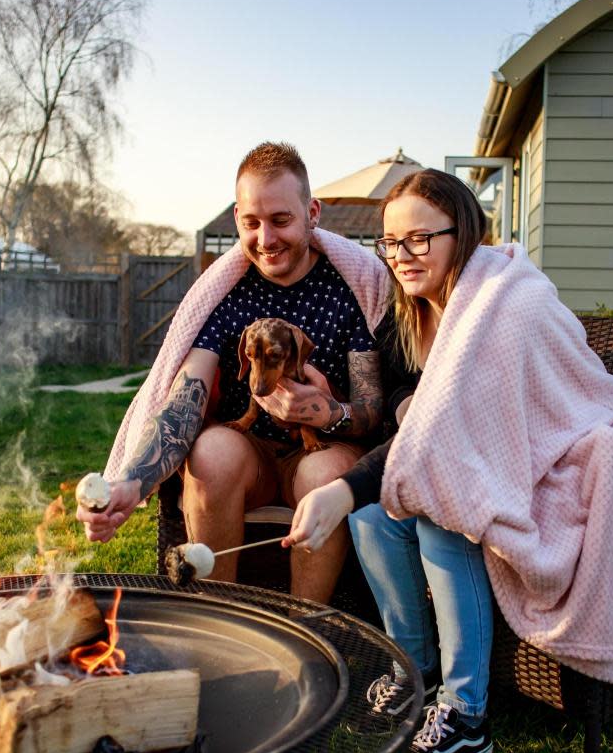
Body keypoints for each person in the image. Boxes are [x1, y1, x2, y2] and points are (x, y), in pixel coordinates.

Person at [78, 141, 389, 604]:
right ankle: (220, 616)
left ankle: (308, 630)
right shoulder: (228, 295)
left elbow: (374, 410)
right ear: (237, 220)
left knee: (324, 472)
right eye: (252, 223)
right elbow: (186, 397)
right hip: (253, 456)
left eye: (281, 220)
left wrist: (329, 413)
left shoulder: (349, 291)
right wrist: (131, 482)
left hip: (323, 451)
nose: (266, 239)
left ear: (312, 213)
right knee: (212, 450)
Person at [284, 169, 498, 753]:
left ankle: (467, 715)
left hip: (510, 470)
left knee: (436, 516)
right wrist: (403, 400)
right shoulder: (405, 315)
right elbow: (401, 399)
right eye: (391, 242)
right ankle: (416, 671)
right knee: (377, 517)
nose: (402, 256)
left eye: (420, 240)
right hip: (442, 463)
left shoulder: (490, 306)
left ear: (464, 235)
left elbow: (452, 423)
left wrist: (342, 489)